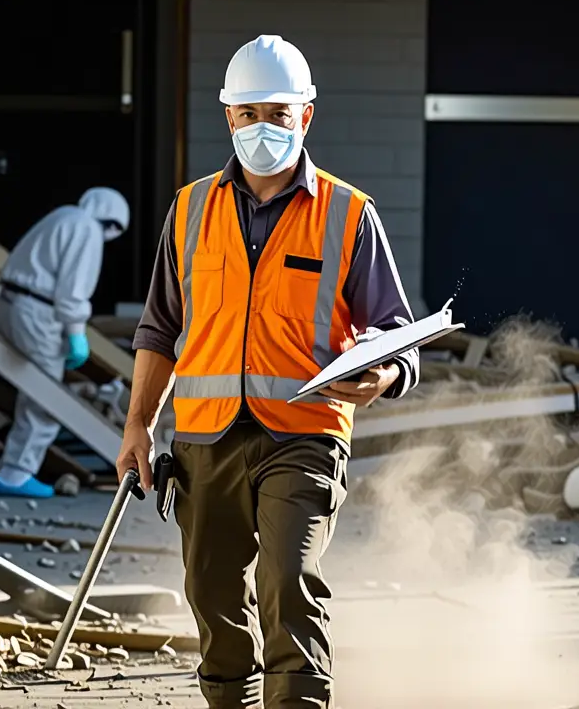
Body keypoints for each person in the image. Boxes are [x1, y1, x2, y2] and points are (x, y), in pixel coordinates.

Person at [120, 35, 420, 709]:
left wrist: (383, 377)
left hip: (305, 436)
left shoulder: (349, 215)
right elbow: (160, 329)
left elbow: (401, 334)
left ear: (305, 117)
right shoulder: (190, 211)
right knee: (211, 594)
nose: (263, 128)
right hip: (205, 440)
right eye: (249, 113)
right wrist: (137, 426)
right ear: (229, 117)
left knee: (289, 581)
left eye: (278, 114)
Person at [0, 187, 130, 499]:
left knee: (33, 391)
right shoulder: (88, 230)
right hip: (36, 313)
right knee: (46, 398)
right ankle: (16, 474)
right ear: (112, 223)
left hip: (12, 304)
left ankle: (16, 470)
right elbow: (72, 292)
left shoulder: (62, 216)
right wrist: (76, 334)